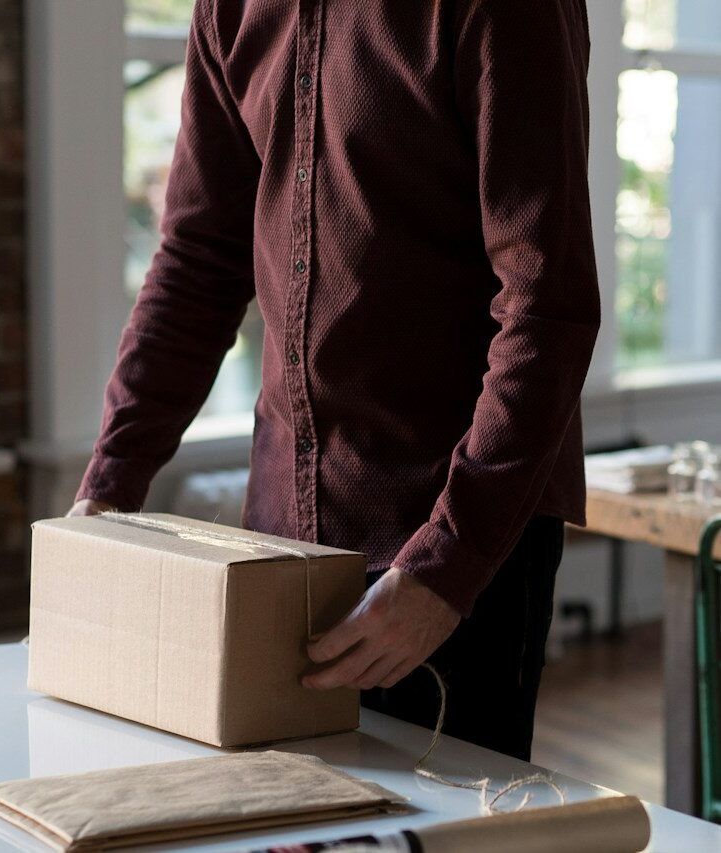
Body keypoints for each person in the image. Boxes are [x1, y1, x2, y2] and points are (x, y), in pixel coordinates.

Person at [69, 0, 600, 762]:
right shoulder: (228, 8)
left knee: (440, 843)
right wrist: (106, 493)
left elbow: (546, 308)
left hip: (454, 541)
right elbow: (197, 263)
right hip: (278, 547)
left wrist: (444, 570)